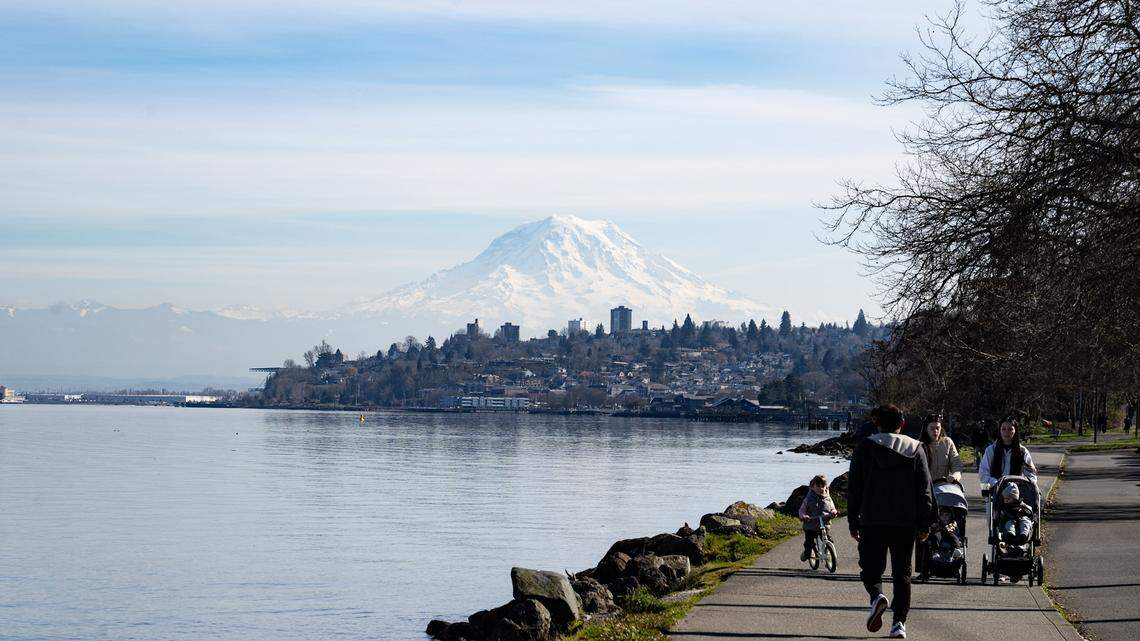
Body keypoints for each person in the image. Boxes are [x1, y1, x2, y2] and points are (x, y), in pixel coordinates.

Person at [848, 404, 936, 639]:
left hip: (872, 519)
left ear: (877, 423)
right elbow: (924, 490)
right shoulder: (916, 448)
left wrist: (852, 521)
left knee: (870, 570)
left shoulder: (865, 447)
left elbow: (855, 488)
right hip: (905, 522)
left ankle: (877, 596)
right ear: (902, 424)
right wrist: (924, 523)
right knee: (902, 573)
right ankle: (899, 623)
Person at [978, 418, 1038, 489]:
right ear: (999, 431)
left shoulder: (1022, 451)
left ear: (1015, 431)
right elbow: (983, 473)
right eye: (1003, 429)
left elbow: (1031, 475)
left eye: (1010, 429)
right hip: (995, 490)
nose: (1006, 432)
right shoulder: (991, 450)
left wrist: (1022, 484)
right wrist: (996, 483)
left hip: (1017, 491)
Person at [799, 474, 839, 562]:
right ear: (812, 487)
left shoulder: (828, 498)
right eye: (818, 486)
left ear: (826, 487)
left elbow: (832, 507)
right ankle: (807, 553)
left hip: (824, 524)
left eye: (823, 486)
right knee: (809, 543)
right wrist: (803, 516)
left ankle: (829, 553)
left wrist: (833, 512)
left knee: (828, 539)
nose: (821, 488)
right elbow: (802, 509)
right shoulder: (808, 499)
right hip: (810, 525)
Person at [919, 415, 963, 482]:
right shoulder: (919, 446)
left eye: (937, 428)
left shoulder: (947, 442)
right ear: (926, 429)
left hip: (943, 487)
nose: (935, 431)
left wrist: (955, 476)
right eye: (932, 428)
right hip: (925, 487)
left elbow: (956, 464)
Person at [996, 483, 1034, 553]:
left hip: (1022, 518)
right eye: (1005, 499)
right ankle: (1010, 534)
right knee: (1009, 524)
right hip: (1010, 519)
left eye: (1008, 499)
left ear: (1014, 498)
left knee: (1026, 522)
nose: (1005, 500)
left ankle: (1024, 534)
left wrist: (1023, 510)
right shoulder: (1005, 507)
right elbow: (1001, 515)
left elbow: (1029, 510)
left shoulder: (1021, 504)